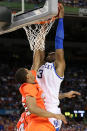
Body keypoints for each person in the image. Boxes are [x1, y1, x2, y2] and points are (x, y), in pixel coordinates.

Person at [36, 3, 81, 130]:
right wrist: (44, 27)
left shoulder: (58, 67)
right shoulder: (40, 65)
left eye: (55, 52)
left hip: (50, 113)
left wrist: (60, 19)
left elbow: (58, 41)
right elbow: (40, 46)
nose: (54, 52)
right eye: (51, 52)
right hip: (39, 111)